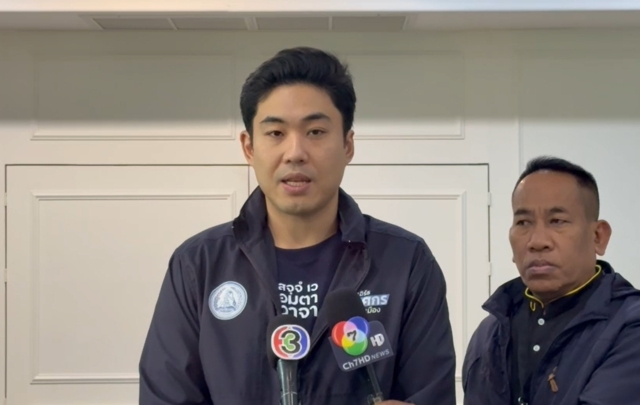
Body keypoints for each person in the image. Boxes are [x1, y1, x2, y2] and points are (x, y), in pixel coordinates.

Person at [139, 46, 456, 405]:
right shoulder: (199, 264)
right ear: (248, 147)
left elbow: (432, 394)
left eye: (316, 132)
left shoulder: (405, 261)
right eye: (275, 133)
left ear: (347, 145)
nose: (295, 153)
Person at [462, 156, 640, 405]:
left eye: (557, 221)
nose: (537, 241)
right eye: (523, 222)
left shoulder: (629, 327)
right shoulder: (489, 332)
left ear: (598, 236)